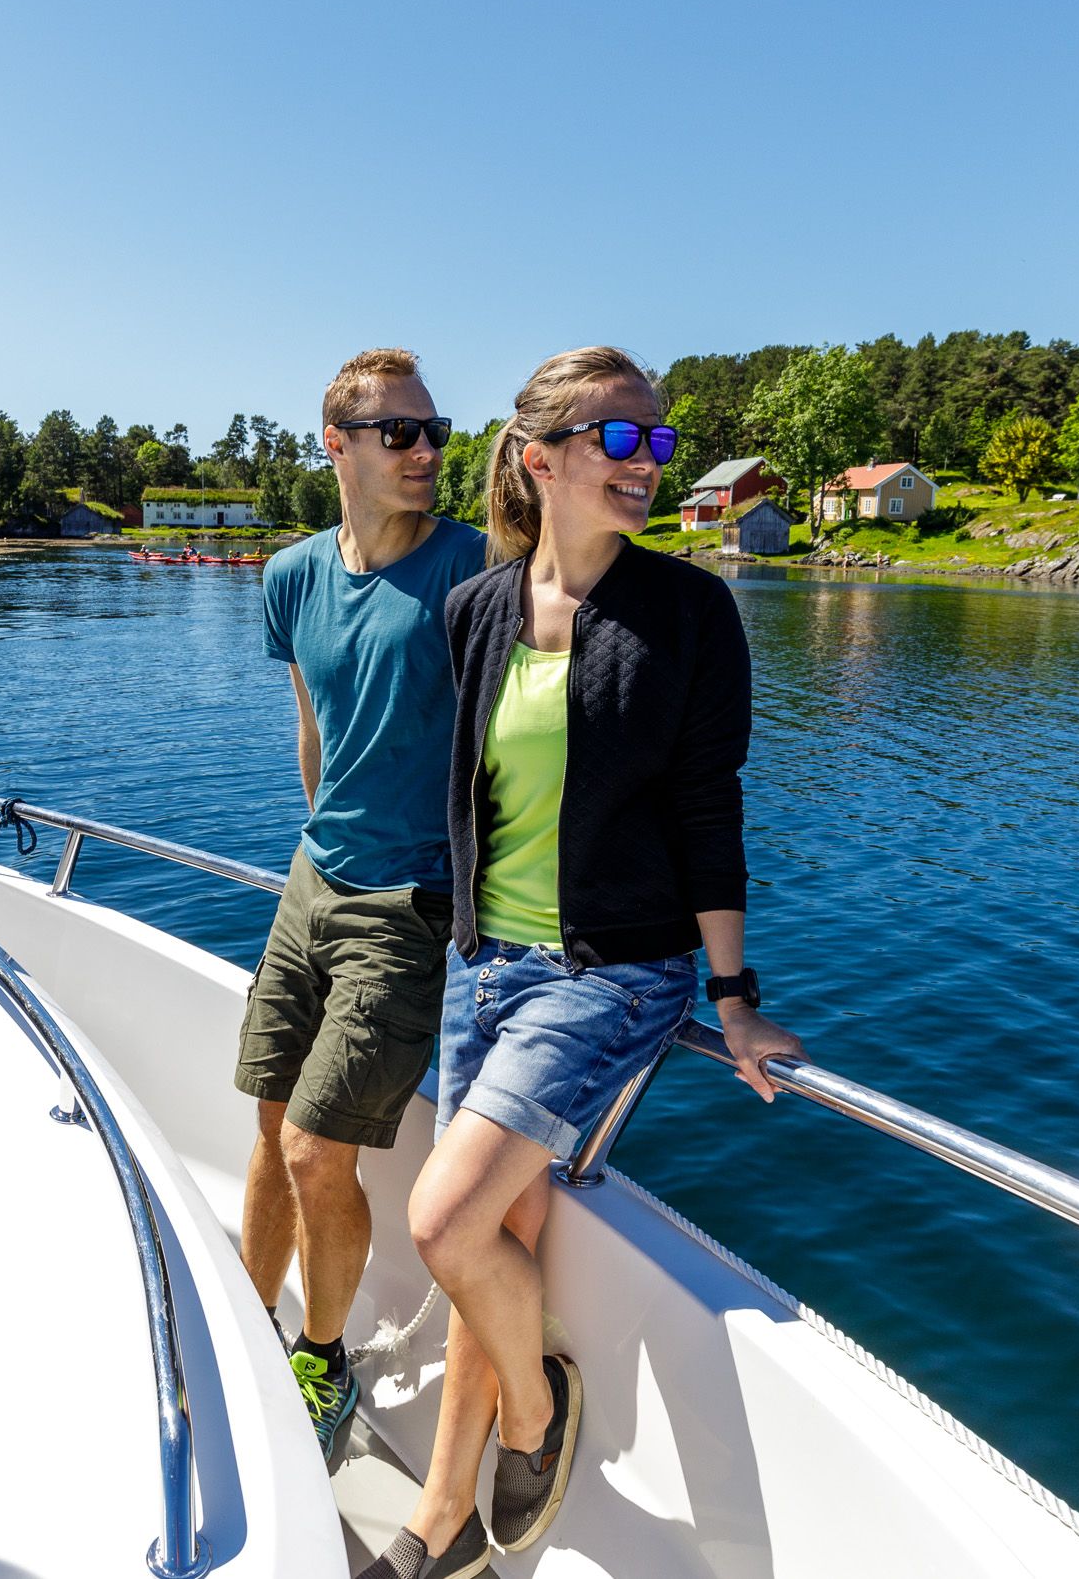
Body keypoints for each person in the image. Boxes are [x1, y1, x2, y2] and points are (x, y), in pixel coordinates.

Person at [356, 347, 805, 1579]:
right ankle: (438, 1519)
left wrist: (733, 995)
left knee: (446, 1220)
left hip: (611, 969)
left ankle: (536, 1411)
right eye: (621, 441)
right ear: (541, 456)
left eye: (660, 442)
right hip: (483, 963)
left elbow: (710, 810)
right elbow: (480, 799)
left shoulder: (690, 613)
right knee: (491, 1234)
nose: (650, 464)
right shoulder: (477, 610)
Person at [237, 347, 486, 1472]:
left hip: (409, 902)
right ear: (337, 444)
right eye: (401, 433)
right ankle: (249, 1325)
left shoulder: (473, 573)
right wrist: (319, 845)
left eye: (435, 431)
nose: (427, 450)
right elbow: (314, 729)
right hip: (311, 881)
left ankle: (324, 1361)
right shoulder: (291, 576)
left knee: (314, 1151)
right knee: (266, 1125)